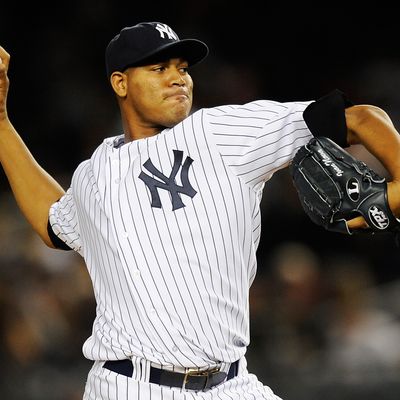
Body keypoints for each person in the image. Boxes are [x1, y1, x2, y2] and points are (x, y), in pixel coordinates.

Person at [1, 21, 400, 400]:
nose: (178, 78)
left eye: (183, 68)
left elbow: (364, 119)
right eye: (159, 68)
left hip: (232, 383)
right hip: (131, 385)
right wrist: (2, 124)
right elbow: (52, 221)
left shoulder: (218, 133)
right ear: (120, 83)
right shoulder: (94, 172)